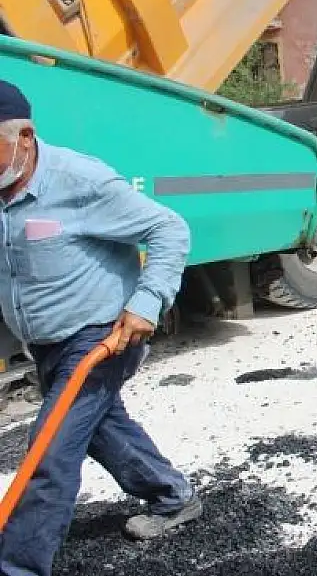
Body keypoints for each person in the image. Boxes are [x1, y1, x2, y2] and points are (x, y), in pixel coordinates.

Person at [0, 80, 201, 575]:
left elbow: (169, 229)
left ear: (24, 137)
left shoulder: (80, 182)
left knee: (48, 450)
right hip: (46, 342)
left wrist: (147, 301)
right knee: (100, 426)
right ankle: (171, 496)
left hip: (103, 336)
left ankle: (19, 566)